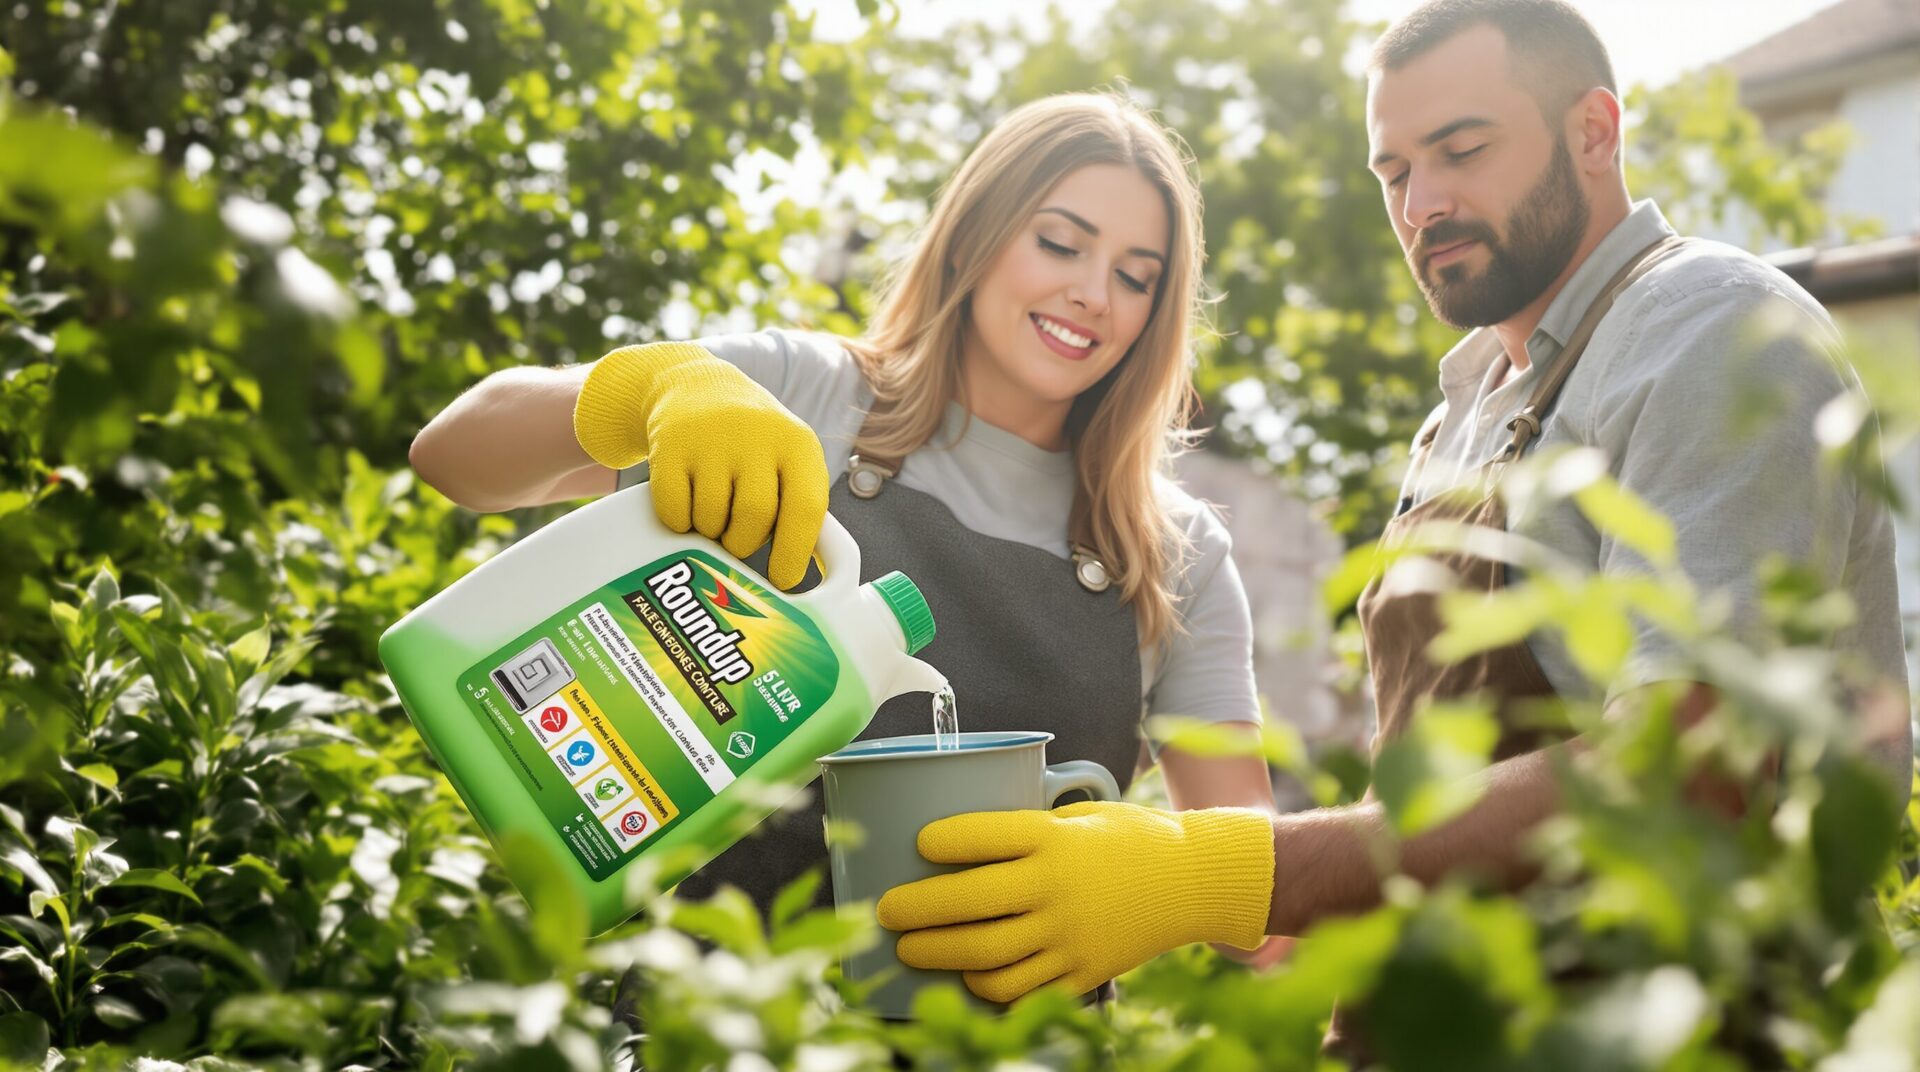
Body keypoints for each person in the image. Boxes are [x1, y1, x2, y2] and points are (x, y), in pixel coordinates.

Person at [874, 0, 1913, 1011]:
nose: (1421, 205)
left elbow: (1694, 770)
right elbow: (1420, 816)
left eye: (1463, 150)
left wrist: (1218, 870)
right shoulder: (1464, 406)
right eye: (1396, 170)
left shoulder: (1707, 327)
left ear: (1594, 131)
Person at [407, 93, 1285, 954]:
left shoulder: (1176, 554)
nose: (1094, 294)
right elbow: (454, 458)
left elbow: (1262, 913)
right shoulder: (805, 394)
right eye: (1060, 242)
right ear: (975, 234)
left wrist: (1169, 874)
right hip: (704, 1033)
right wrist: (652, 387)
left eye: (1136, 277)